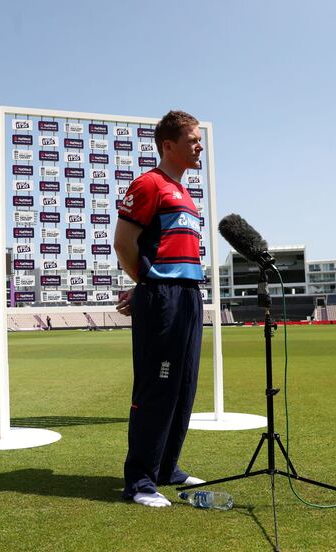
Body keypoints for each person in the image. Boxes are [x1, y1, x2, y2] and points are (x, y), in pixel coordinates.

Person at [113, 110, 205, 508]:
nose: (199, 146)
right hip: (163, 298)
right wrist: (147, 286)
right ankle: (139, 482)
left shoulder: (186, 194)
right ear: (169, 145)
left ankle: (167, 467)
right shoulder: (150, 184)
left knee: (184, 385)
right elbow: (123, 243)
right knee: (157, 387)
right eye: (193, 139)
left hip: (189, 295)